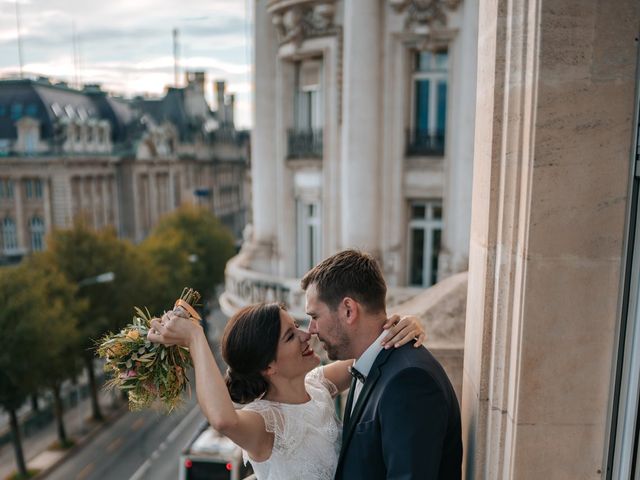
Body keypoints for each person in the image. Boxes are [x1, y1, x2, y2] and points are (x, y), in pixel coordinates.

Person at [147, 303, 425, 480]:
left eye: (296, 326)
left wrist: (407, 323)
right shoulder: (265, 423)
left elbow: (371, 352)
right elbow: (223, 419)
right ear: (269, 366)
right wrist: (195, 338)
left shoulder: (318, 386)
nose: (307, 335)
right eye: (291, 336)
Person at [302, 249, 463, 479]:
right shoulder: (366, 364)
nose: (311, 330)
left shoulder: (409, 381)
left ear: (349, 310)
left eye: (315, 316)